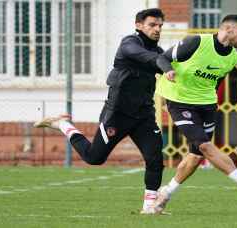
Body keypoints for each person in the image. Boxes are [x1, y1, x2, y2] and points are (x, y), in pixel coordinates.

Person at [34, 8, 166, 214]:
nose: (157, 29)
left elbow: (167, 62)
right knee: (94, 158)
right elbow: (145, 57)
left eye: (160, 25)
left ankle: (149, 207)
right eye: (152, 25)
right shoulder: (129, 44)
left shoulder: (158, 53)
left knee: (155, 158)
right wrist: (167, 64)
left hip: (144, 116)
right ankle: (63, 124)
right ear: (139, 25)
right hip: (117, 114)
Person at [153, 14, 237, 213]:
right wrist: (168, 71)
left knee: (195, 155)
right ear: (228, 29)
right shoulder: (196, 42)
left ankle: (166, 192)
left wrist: (212, 103)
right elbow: (163, 57)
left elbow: (216, 82)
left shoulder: (234, 56)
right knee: (205, 146)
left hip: (207, 105)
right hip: (179, 101)